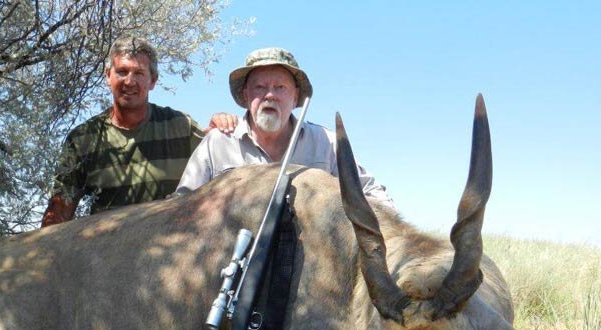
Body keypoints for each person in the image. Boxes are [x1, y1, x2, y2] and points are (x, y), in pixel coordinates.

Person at [42, 37, 236, 226]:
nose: (129, 81)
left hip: (172, 249)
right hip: (107, 253)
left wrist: (219, 132)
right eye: (122, 72)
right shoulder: (83, 139)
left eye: (139, 73)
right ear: (107, 76)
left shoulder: (179, 126)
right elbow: (59, 213)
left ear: (153, 80)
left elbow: (219, 164)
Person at [175, 47, 392, 206]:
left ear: (296, 96)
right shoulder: (218, 143)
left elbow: (373, 194)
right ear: (246, 95)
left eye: (280, 87)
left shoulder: (326, 143)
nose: (269, 95)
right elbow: (181, 206)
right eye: (259, 87)